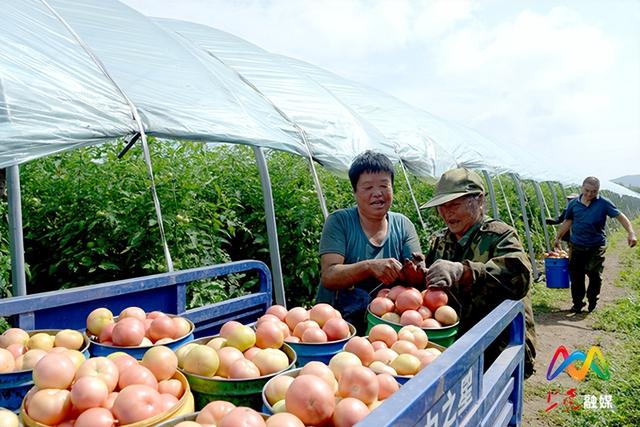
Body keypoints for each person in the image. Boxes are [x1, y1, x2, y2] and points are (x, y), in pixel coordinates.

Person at [420, 167, 537, 378]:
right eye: (442, 207)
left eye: (454, 204)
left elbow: (519, 278)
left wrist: (464, 271)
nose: (447, 213)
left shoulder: (499, 236)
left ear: (479, 200)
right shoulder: (441, 241)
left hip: (499, 344)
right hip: (457, 341)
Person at [315, 151, 423, 334]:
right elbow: (330, 276)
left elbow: (416, 280)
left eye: (384, 186)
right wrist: (369, 266)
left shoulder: (403, 225)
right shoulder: (339, 222)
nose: (377, 194)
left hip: (386, 325)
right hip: (336, 326)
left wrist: (416, 271)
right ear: (355, 192)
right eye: (367, 187)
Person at [554, 176, 637, 313]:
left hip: (596, 246)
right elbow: (568, 221)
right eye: (587, 190)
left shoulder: (604, 203)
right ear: (582, 187)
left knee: (594, 274)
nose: (590, 194)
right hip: (577, 245)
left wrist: (631, 232)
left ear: (598, 190)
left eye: (594, 191)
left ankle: (593, 300)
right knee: (576, 276)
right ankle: (578, 303)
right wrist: (558, 237)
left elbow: (620, 217)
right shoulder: (574, 204)